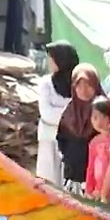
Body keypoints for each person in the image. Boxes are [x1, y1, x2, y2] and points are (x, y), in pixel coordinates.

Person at [56, 64, 102, 195]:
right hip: (71, 174)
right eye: (79, 86)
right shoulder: (68, 112)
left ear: (96, 85)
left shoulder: (102, 109)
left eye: (88, 85)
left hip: (96, 177)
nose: (83, 90)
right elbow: (61, 140)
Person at [36, 41, 78, 185]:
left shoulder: (78, 82)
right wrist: (71, 115)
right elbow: (46, 113)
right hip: (49, 137)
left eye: (52, 58)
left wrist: (63, 114)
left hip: (72, 138)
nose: (49, 62)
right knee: (48, 181)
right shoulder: (46, 83)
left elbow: (82, 108)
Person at [83, 97, 110, 200]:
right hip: (97, 190)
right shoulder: (94, 142)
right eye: (95, 117)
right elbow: (90, 167)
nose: (99, 121)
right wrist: (88, 189)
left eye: (104, 117)